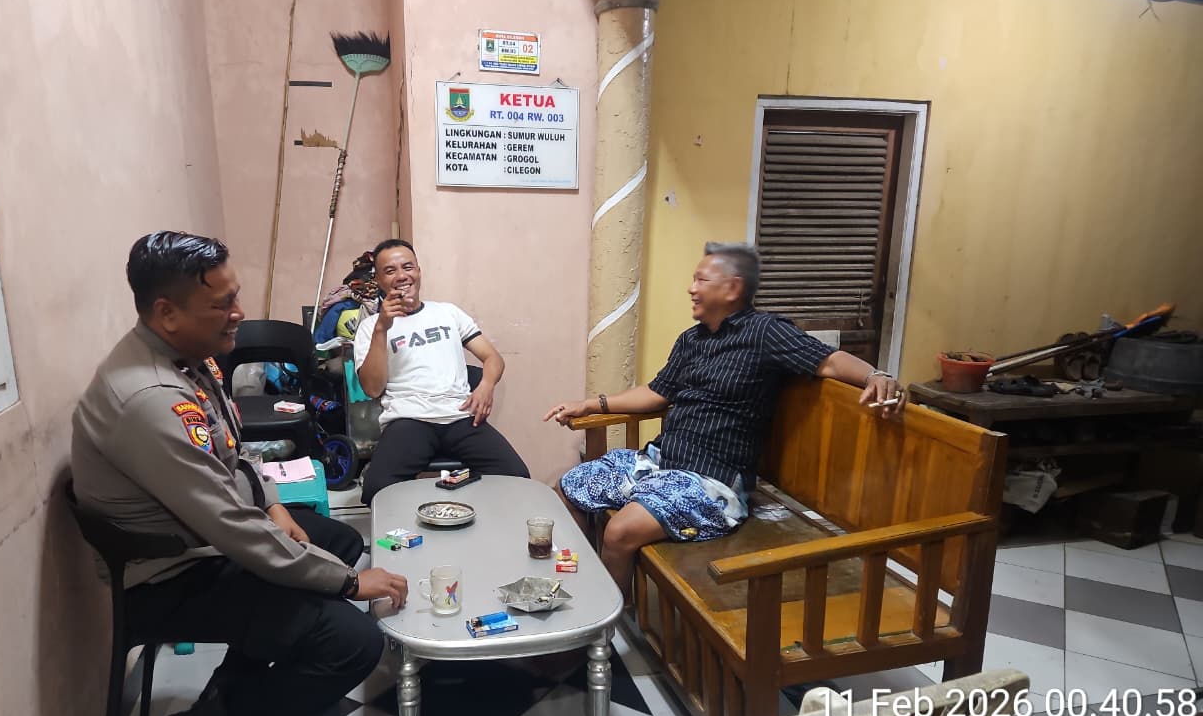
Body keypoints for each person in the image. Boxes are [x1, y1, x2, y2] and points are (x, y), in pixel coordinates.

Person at [71, 231, 408, 716]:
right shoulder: (149, 399)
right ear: (166, 313)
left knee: (340, 538)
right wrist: (350, 585)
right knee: (354, 642)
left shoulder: (188, 356)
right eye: (222, 304)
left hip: (205, 538)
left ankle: (239, 688)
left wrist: (275, 506)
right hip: (168, 575)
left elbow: (231, 455)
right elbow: (229, 527)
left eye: (235, 296)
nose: (238, 313)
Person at [544, 241, 905, 595]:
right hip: (659, 464)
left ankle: (608, 620)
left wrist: (876, 375)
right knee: (568, 488)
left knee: (620, 531)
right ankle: (582, 593)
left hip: (711, 483)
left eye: (701, 280)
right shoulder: (692, 340)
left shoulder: (765, 332)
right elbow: (658, 392)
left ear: (732, 288)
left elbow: (828, 360)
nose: (691, 289)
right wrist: (592, 404)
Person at [353, 238, 529, 504]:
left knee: (517, 477)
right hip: (409, 420)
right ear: (378, 280)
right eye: (390, 271)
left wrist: (486, 386)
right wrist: (382, 328)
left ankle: (473, 519)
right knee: (377, 490)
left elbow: (493, 358)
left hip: (459, 415)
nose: (401, 276)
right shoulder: (370, 328)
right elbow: (372, 389)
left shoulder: (447, 313)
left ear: (418, 271)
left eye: (407, 267)